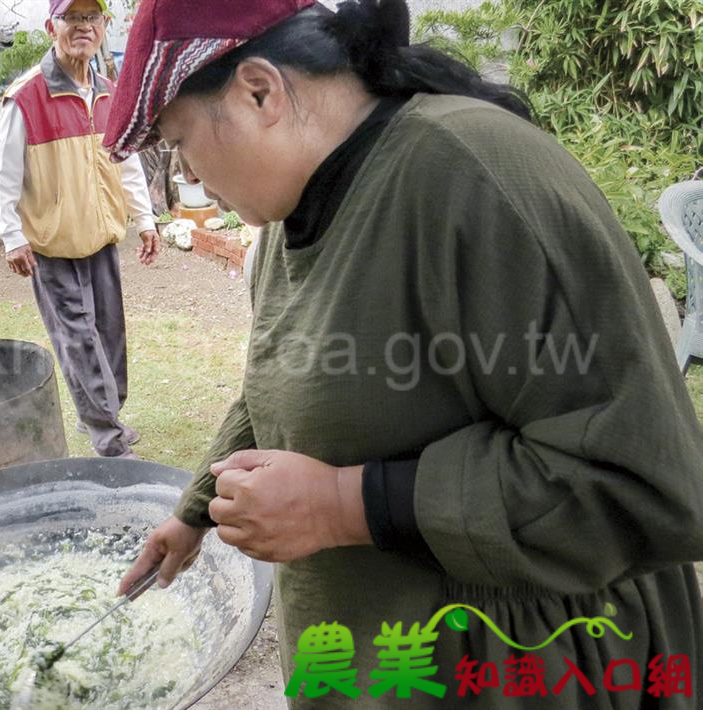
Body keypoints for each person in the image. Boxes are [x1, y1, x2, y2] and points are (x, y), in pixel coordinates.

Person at [105, 0, 703, 707]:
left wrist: (343, 505)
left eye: (179, 141)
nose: (190, 174)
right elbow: (283, 382)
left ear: (259, 91)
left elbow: (644, 487)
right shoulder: (293, 213)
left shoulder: (475, 180)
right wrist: (193, 512)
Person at [0, 0, 160, 459]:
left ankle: (105, 415)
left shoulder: (108, 91)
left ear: (103, 27)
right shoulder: (26, 96)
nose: (83, 27)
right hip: (52, 243)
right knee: (79, 337)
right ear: (51, 27)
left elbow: (127, 161)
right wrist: (11, 236)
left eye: (92, 18)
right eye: (72, 18)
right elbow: (0, 173)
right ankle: (107, 435)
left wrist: (145, 220)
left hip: (101, 235)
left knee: (109, 332)